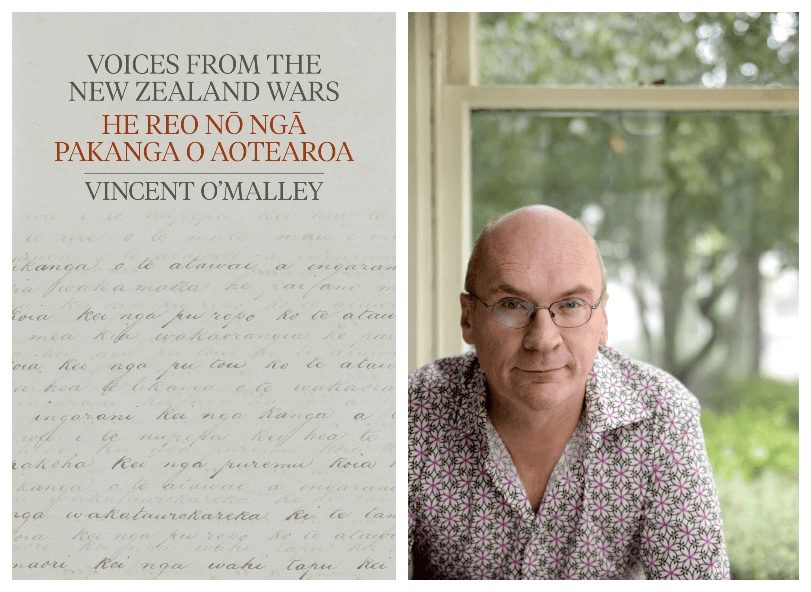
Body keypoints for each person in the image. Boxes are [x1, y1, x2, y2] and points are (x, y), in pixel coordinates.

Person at [408, 206, 729, 579]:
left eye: (571, 305)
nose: (543, 340)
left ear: (602, 319)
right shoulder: (411, 413)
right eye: (512, 305)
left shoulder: (661, 417)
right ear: (468, 318)